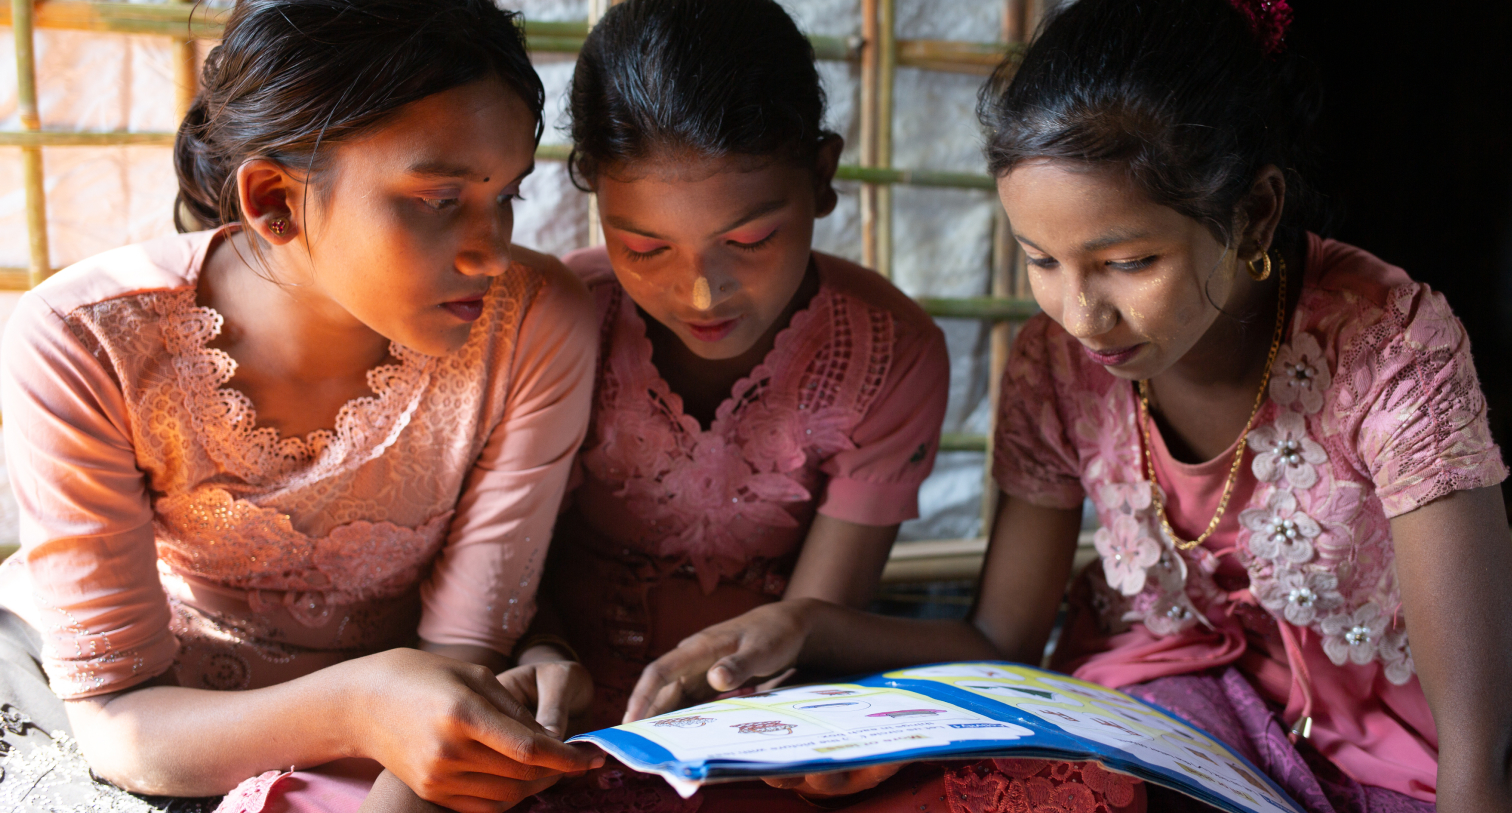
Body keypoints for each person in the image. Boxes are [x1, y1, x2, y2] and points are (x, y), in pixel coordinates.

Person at [627, 1, 1512, 812]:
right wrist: (804, 625)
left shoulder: (1392, 348)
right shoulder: (1058, 364)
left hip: (1396, 758)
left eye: (1128, 262)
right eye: (1041, 260)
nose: (1081, 314)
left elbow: (1478, 749)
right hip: (1170, 717)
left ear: (1252, 212)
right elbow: (1002, 634)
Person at [0, 1, 605, 811]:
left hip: (398, 723)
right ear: (275, 198)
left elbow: (460, 658)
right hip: (122, 724)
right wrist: (360, 704)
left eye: (507, 196)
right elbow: (118, 722)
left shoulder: (533, 324)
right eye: (438, 199)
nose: (492, 251)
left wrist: (403, 742)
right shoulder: (84, 340)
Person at [518, 0, 950, 809]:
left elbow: (815, 620)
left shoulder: (890, 353)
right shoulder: (558, 320)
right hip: (552, 718)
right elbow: (497, 565)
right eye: (643, 247)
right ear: (591, 194)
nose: (700, 291)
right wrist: (540, 647)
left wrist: (766, 710)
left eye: (749, 241)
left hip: (756, 725)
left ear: (823, 175)